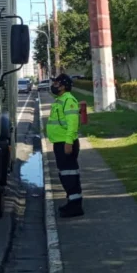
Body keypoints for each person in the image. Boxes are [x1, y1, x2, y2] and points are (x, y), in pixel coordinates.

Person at [46, 74, 84, 218]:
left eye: (56, 83)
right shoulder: (60, 100)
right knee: (65, 174)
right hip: (60, 143)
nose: (54, 85)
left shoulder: (69, 101)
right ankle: (72, 201)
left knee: (70, 174)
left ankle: (75, 206)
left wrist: (68, 142)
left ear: (63, 86)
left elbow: (73, 124)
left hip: (66, 143)